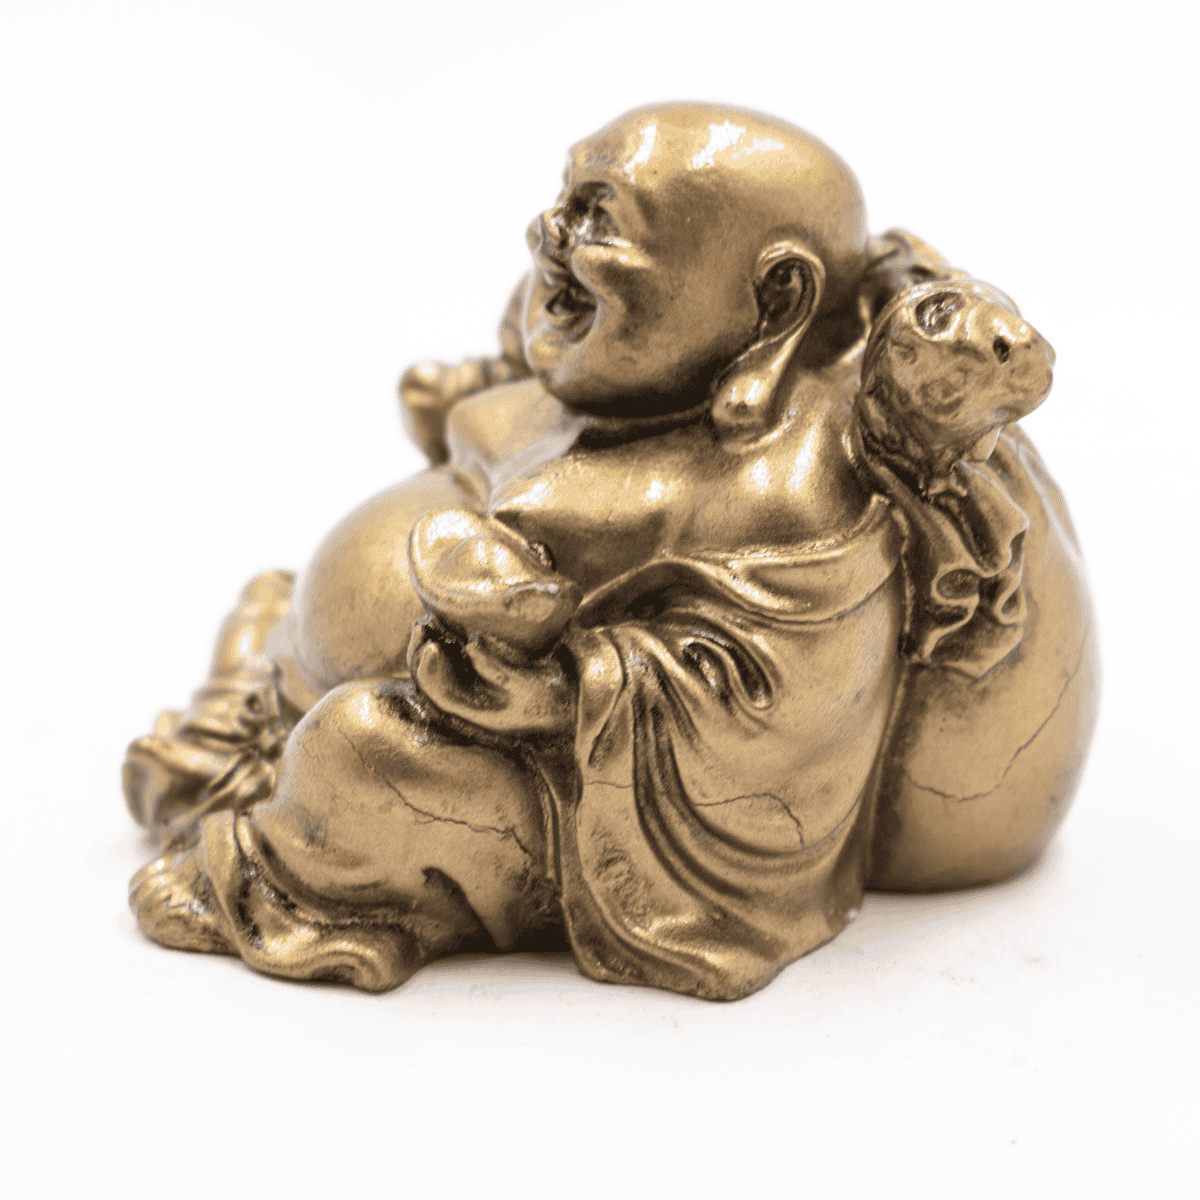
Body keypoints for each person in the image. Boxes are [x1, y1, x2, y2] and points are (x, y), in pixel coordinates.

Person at [125, 104, 1097, 999]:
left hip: (572, 795)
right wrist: (466, 401)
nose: (546, 233)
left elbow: (766, 712)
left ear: (775, 303)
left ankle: (290, 862)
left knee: (361, 752)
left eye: (596, 218)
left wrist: (562, 692)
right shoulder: (615, 374)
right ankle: (256, 734)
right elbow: (508, 417)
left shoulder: (796, 492)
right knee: (270, 600)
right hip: (400, 668)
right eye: (561, 199)